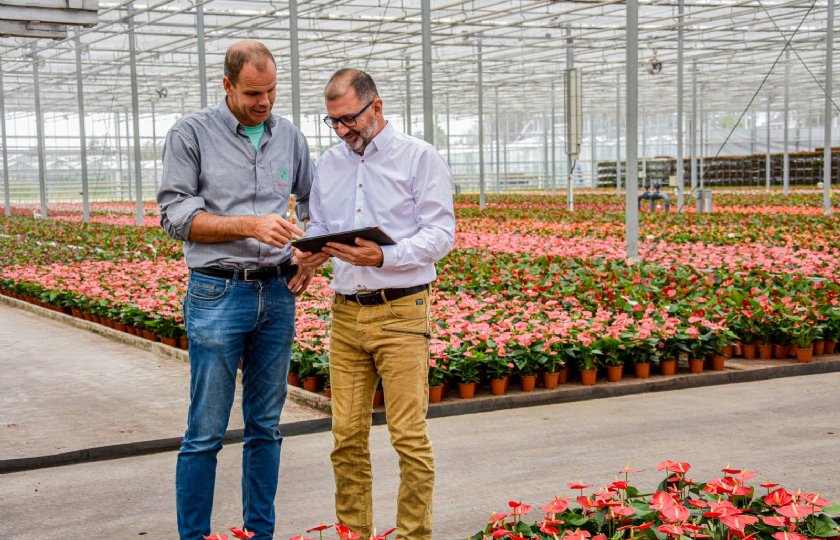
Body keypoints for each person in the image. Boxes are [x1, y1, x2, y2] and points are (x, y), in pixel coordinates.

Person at [157, 40, 315, 540]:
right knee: (205, 432)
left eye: (270, 91)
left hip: (277, 292)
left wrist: (310, 254)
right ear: (227, 85)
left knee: (266, 428)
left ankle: (259, 534)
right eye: (252, 93)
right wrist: (248, 225)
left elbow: (313, 202)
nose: (264, 102)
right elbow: (175, 216)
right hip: (217, 292)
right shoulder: (191, 133)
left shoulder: (288, 135)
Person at [294, 68, 456, 540]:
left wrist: (385, 254)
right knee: (345, 438)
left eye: (349, 119)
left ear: (376, 107)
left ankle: (413, 535)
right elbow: (322, 224)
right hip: (346, 313)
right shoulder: (330, 163)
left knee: (408, 437)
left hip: (401, 311)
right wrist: (310, 256)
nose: (343, 130)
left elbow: (441, 234)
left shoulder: (419, 158)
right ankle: (354, 533)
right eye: (333, 122)